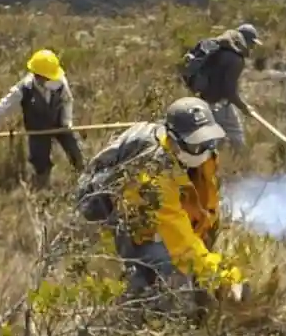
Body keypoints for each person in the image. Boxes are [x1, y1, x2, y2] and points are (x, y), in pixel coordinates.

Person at [74, 97, 244, 301]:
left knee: (191, 249)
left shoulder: (200, 153)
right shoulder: (154, 172)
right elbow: (178, 239)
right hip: (113, 205)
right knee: (158, 252)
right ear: (173, 140)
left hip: (157, 204)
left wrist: (206, 257)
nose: (206, 148)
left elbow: (206, 205)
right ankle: (140, 300)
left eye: (209, 140)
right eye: (197, 143)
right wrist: (221, 278)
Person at [0, 48, 85, 188]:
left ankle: (84, 181)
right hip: (37, 129)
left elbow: (67, 100)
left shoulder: (60, 82)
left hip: (59, 123)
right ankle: (42, 191)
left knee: (76, 153)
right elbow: (4, 107)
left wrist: (66, 122)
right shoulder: (24, 88)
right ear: (38, 76)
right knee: (40, 163)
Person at [181, 23, 261, 150]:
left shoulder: (219, 49)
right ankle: (240, 163)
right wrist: (244, 107)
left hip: (203, 100)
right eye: (252, 43)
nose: (252, 47)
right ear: (246, 41)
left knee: (208, 138)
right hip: (219, 105)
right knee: (236, 136)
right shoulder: (236, 59)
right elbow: (229, 91)